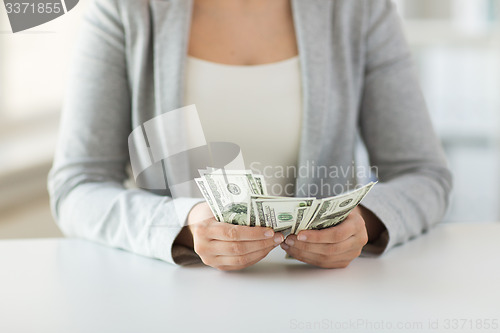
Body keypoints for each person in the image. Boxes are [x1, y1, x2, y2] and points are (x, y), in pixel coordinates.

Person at [48, 0, 452, 271]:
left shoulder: (357, 11)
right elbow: (77, 185)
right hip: (171, 302)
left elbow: (424, 174)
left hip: (324, 300)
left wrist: (364, 221)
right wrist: (182, 227)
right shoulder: (124, 10)